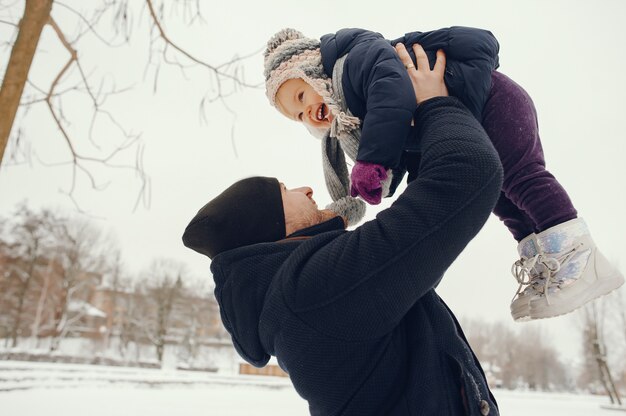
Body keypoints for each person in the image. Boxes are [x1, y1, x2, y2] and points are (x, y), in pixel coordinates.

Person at [183, 46, 502, 415]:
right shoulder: (314, 291)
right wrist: (435, 103)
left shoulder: (298, 298)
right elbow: (467, 174)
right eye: (287, 191)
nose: (306, 189)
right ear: (273, 226)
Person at [263, 27, 624, 321]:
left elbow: (391, 92)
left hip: (492, 102)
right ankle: (548, 266)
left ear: (310, 71)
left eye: (299, 98)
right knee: (504, 200)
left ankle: (580, 256)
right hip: (467, 121)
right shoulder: (354, 112)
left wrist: (374, 161)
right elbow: (399, 134)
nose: (305, 114)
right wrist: (383, 175)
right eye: (296, 117)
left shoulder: (354, 64)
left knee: (523, 177)